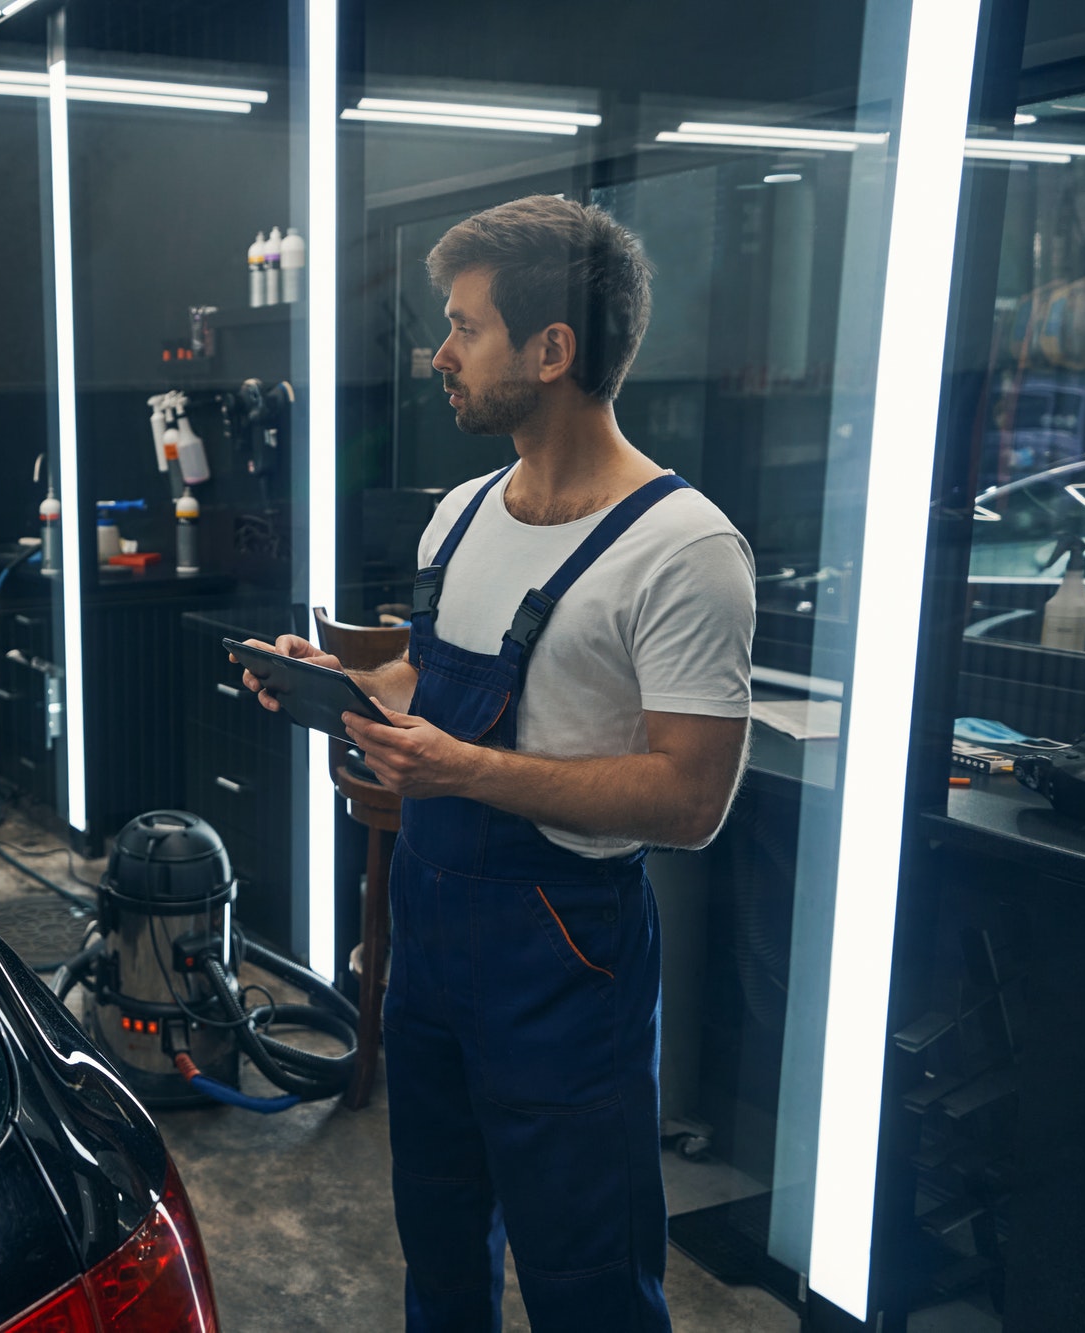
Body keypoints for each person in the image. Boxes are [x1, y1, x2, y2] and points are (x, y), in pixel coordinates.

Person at [235, 195, 753, 1332]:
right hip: (428, 944)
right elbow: (427, 685)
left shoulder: (684, 549)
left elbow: (689, 796)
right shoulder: (459, 518)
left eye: (464, 326)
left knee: (587, 1282)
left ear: (550, 349)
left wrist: (462, 772)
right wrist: (336, 689)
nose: (439, 354)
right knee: (437, 1250)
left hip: (567, 960)